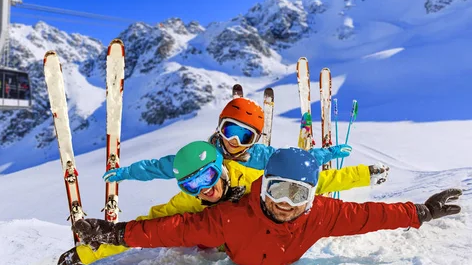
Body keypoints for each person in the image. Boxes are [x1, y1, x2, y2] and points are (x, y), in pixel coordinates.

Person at [72, 148, 462, 265]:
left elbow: (368, 216)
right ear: (263, 187)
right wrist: (113, 234)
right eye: (277, 190)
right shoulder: (229, 216)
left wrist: (419, 212)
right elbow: (168, 228)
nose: (284, 204)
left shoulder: (323, 215)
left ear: (311, 197)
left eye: (298, 195)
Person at [102, 97, 353, 184]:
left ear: (255, 140)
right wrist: (125, 172)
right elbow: (162, 166)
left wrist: (328, 153)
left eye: (245, 136)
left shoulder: (260, 156)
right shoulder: (205, 154)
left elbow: (296, 160)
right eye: (229, 129)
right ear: (219, 126)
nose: (234, 140)